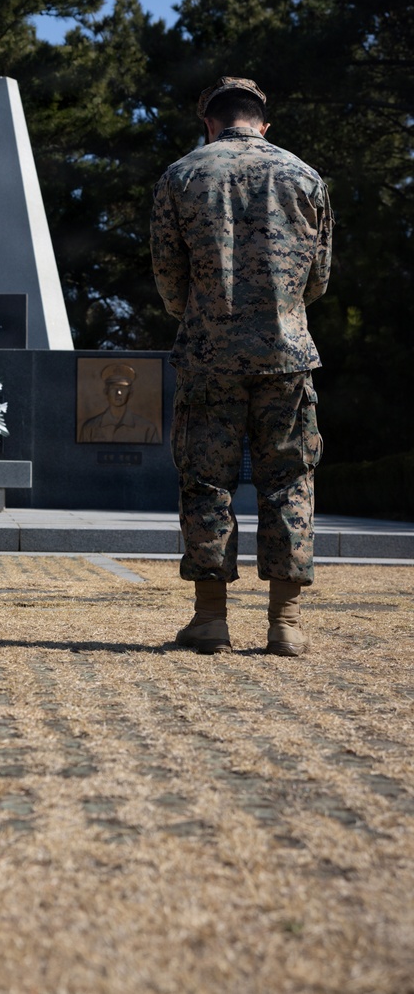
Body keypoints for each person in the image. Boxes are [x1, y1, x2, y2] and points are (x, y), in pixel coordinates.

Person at [151, 76, 332, 656]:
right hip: (286, 355)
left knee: (206, 482)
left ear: (209, 121)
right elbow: (320, 278)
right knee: (289, 481)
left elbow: (169, 280)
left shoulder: (181, 175)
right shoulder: (305, 176)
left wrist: (202, 313)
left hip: (209, 356)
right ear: (263, 122)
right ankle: (286, 623)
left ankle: (210, 619)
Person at [79, 363, 161, 443]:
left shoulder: (147, 428)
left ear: (130, 393)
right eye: (113, 388)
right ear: (106, 392)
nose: (118, 393)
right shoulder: (90, 427)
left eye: (123, 388)